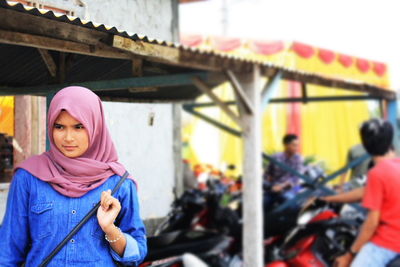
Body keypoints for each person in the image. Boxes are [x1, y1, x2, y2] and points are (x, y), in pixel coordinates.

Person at [0, 87, 147, 266]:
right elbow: (8, 252)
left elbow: (137, 254)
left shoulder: (119, 183)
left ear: (96, 127)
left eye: (79, 127)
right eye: (59, 126)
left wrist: (110, 229)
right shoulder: (29, 177)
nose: (68, 137)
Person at [334, 119, 400, 267]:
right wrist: (330, 197)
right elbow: (363, 191)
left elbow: (371, 223)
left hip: (389, 243)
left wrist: (350, 254)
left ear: (365, 145)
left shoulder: (377, 173)